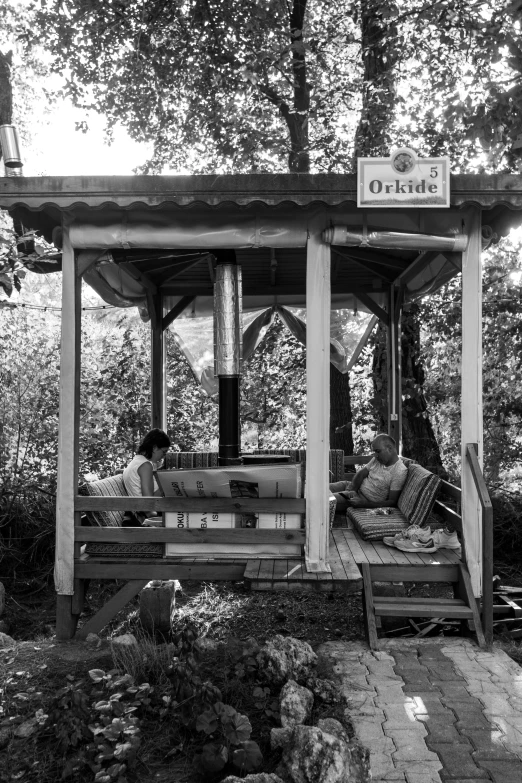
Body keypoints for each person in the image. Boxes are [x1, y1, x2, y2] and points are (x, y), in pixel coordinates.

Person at [329, 434, 407, 512]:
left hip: (361, 499)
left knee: (324, 500)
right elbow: (361, 474)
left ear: (389, 448)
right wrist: (352, 489)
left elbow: (392, 502)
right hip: (352, 486)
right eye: (374, 452)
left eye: (378, 451)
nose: (375, 455)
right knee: (320, 489)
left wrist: (364, 504)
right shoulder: (377, 460)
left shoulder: (399, 471)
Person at [122, 428, 171, 524]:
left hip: (146, 513)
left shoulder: (137, 462)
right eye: (164, 452)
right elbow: (149, 502)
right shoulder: (145, 466)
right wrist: (168, 484)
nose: (163, 456)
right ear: (155, 448)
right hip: (149, 517)